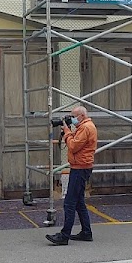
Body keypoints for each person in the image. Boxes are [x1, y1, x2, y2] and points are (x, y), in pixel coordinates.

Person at [46, 105, 98, 246]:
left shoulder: (86, 128)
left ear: (82, 116)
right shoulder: (83, 127)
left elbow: (74, 146)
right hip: (80, 166)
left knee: (69, 202)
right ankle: (86, 232)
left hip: (80, 168)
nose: (72, 119)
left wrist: (67, 132)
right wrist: (68, 132)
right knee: (79, 202)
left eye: (73, 116)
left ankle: (64, 235)